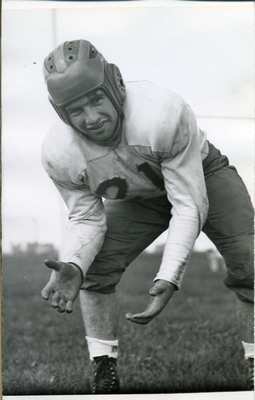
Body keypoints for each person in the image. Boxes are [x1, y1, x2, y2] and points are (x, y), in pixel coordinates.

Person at [41, 39, 254, 394]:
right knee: (94, 269)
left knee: (250, 263)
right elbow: (85, 218)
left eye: (96, 99)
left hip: (201, 175)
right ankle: (104, 371)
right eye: (76, 110)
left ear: (115, 85)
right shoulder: (58, 152)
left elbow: (188, 204)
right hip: (139, 193)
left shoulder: (161, 111)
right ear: (61, 114)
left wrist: (169, 276)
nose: (91, 118)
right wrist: (75, 264)